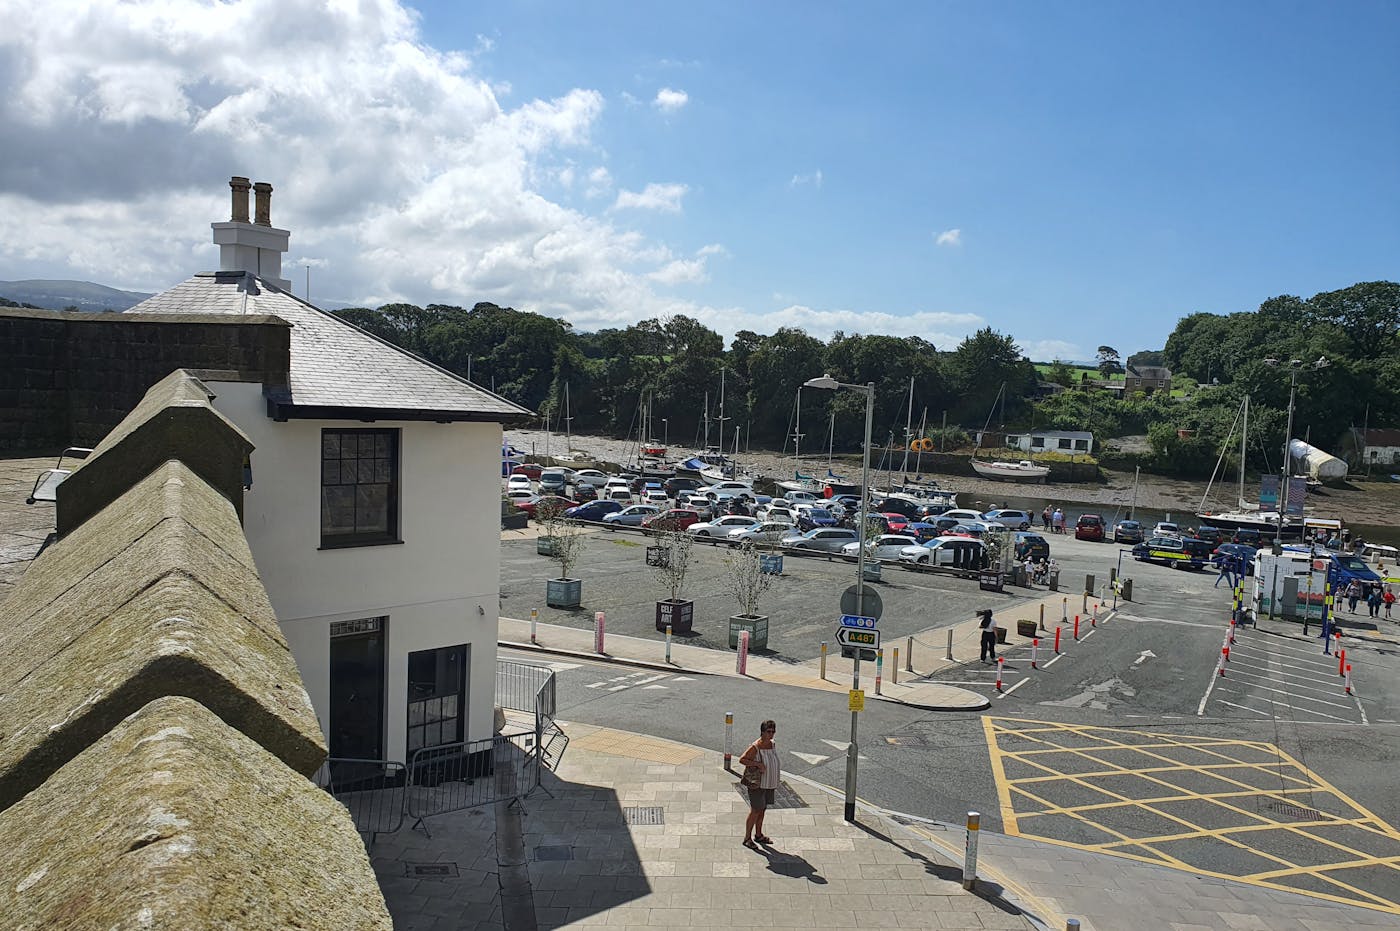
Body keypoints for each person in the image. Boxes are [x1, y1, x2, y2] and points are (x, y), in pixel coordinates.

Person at [738, 719, 780, 848]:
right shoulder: (755, 747)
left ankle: (758, 835)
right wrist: (758, 764)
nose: (771, 734)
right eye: (768, 731)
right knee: (755, 810)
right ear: (762, 732)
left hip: (769, 783)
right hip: (758, 784)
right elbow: (742, 760)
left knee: (762, 809)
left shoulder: (772, 744)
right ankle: (747, 838)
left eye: (773, 731)